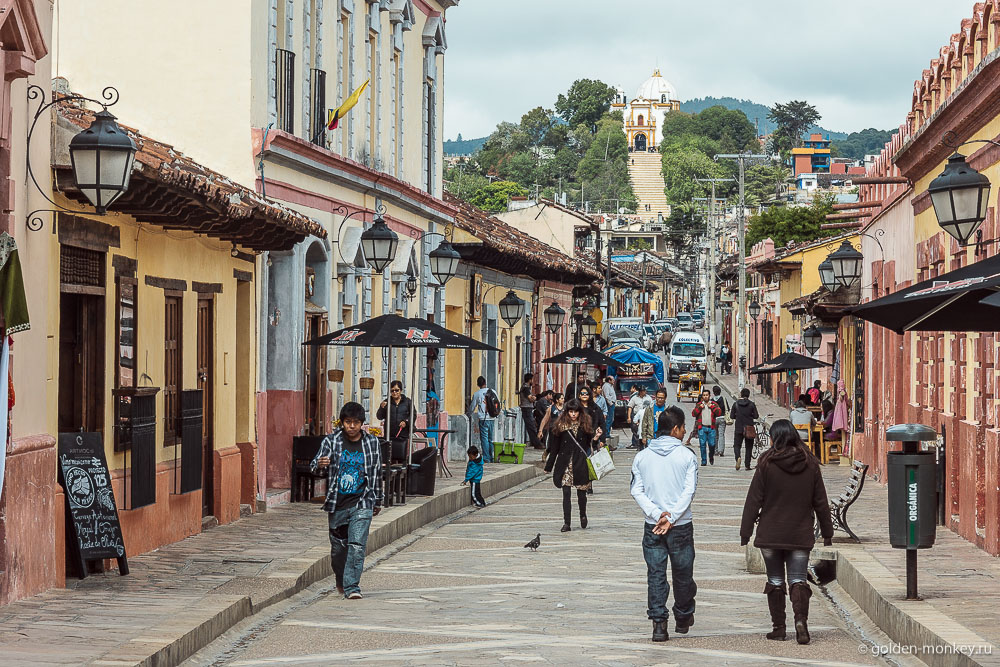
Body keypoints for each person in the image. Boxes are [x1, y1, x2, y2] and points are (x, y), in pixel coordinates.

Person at [740, 420, 834, 645]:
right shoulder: (810, 463)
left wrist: (746, 531)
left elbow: (754, 500)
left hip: (771, 534)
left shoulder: (766, 462)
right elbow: (820, 501)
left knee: (774, 579)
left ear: (776, 438)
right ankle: (801, 622)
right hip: (799, 534)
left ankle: (779, 628)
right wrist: (827, 532)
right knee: (799, 580)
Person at [630, 405, 699, 642]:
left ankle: (659, 624)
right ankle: (683, 615)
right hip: (680, 525)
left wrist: (656, 513)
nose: (683, 432)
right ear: (676, 429)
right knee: (683, 573)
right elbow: (689, 491)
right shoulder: (687, 456)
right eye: (682, 428)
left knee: (656, 574)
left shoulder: (642, 457)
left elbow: (636, 490)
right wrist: (671, 517)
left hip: (653, 525)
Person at [310, 402, 382, 600]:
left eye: (356, 422)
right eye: (348, 422)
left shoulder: (372, 443)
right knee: (338, 549)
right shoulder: (331, 442)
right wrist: (320, 464)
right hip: (337, 503)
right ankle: (341, 579)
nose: (352, 426)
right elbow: (315, 466)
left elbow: (376, 473)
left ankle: (352, 587)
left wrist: (377, 500)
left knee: (357, 545)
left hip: (362, 501)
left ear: (362, 424)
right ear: (342, 423)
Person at [543, 399, 597, 532]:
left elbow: (589, 445)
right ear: (567, 412)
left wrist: (596, 439)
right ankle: (567, 523)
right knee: (566, 493)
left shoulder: (585, 426)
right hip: (565, 464)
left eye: (575, 412)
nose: (573, 414)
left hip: (580, 463)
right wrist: (549, 466)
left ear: (580, 412)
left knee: (581, 494)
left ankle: (582, 514)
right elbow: (554, 448)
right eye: (571, 412)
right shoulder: (560, 427)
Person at [376, 380, 412, 462]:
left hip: (402, 434)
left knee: (401, 456)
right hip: (390, 434)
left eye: (397, 390)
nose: (394, 392)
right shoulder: (387, 402)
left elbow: (413, 415)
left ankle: (401, 472)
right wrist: (381, 408)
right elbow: (379, 416)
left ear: (401, 390)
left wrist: (406, 422)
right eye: (392, 390)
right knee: (389, 456)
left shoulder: (407, 402)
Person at [690, 390, 722, 466]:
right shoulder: (699, 405)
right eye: (704, 395)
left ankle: (711, 456)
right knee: (702, 444)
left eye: (706, 395)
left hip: (711, 428)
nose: (705, 396)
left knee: (712, 444)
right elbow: (693, 414)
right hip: (702, 428)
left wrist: (712, 407)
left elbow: (719, 413)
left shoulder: (713, 404)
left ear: (709, 396)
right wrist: (700, 408)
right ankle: (704, 460)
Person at [730, 388, 760, 471]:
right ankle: (747, 465)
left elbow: (731, 416)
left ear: (741, 394)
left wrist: (738, 416)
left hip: (739, 428)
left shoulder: (735, 404)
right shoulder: (751, 404)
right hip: (749, 428)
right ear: (748, 395)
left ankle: (738, 458)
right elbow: (756, 416)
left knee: (737, 445)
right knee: (749, 447)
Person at [470, 376, 496, 463]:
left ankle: (486, 458)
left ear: (478, 384)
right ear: (485, 383)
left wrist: (468, 414)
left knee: (484, 438)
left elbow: (472, 407)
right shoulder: (492, 392)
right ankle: (491, 456)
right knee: (490, 439)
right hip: (492, 418)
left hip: (483, 419)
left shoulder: (477, 394)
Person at [519, 373, 542, 450]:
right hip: (526, 408)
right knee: (531, 426)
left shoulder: (527, 387)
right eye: (532, 379)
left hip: (527, 408)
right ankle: (537, 443)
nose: (533, 381)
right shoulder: (526, 388)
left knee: (531, 426)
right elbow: (530, 399)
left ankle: (536, 443)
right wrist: (535, 398)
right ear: (529, 380)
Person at [627, 385, 653, 450]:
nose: (644, 392)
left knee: (645, 430)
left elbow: (652, 406)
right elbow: (630, 407)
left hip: (647, 416)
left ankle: (645, 444)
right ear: (640, 391)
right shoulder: (634, 398)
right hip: (637, 415)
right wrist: (629, 417)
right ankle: (637, 444)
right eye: (643, 391)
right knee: (636, 431)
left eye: (645, 391)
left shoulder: (648, 398)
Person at [601, 376, 618, 444]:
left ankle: (608, 432)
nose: (614, 380)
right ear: (609, 380)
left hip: (612, 403)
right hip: (609, 404)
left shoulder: (611, 386)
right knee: (608, 419)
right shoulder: (606, 386)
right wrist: (610, 403)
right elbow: (606, 396)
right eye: (612, 379)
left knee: (611, 419)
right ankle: (606, 433)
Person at [712, 386, 728, 457]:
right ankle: (721, 451)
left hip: (714, 419)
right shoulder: (723, 399)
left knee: (715, 435)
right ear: (720, 391)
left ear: (713, 392)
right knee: (721, 435)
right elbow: (727, 408)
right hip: (722, 418)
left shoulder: (711, 400)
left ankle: (715, 451)